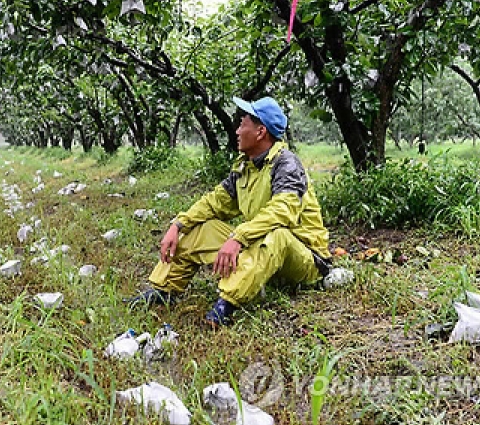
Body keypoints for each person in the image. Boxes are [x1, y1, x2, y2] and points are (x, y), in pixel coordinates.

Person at [127, 96, 332, 326]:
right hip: (262, 251)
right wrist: (178, 224)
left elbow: (282, 211)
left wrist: (238, 237)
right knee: (199, 227)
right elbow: (214, 202)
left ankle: (227, 304)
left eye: (243, 123)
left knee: (277, 235)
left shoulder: (286, 164)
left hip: (304, 259)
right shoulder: (246, 165)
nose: (236, 131)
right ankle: (165, 291)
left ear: (260, 131)